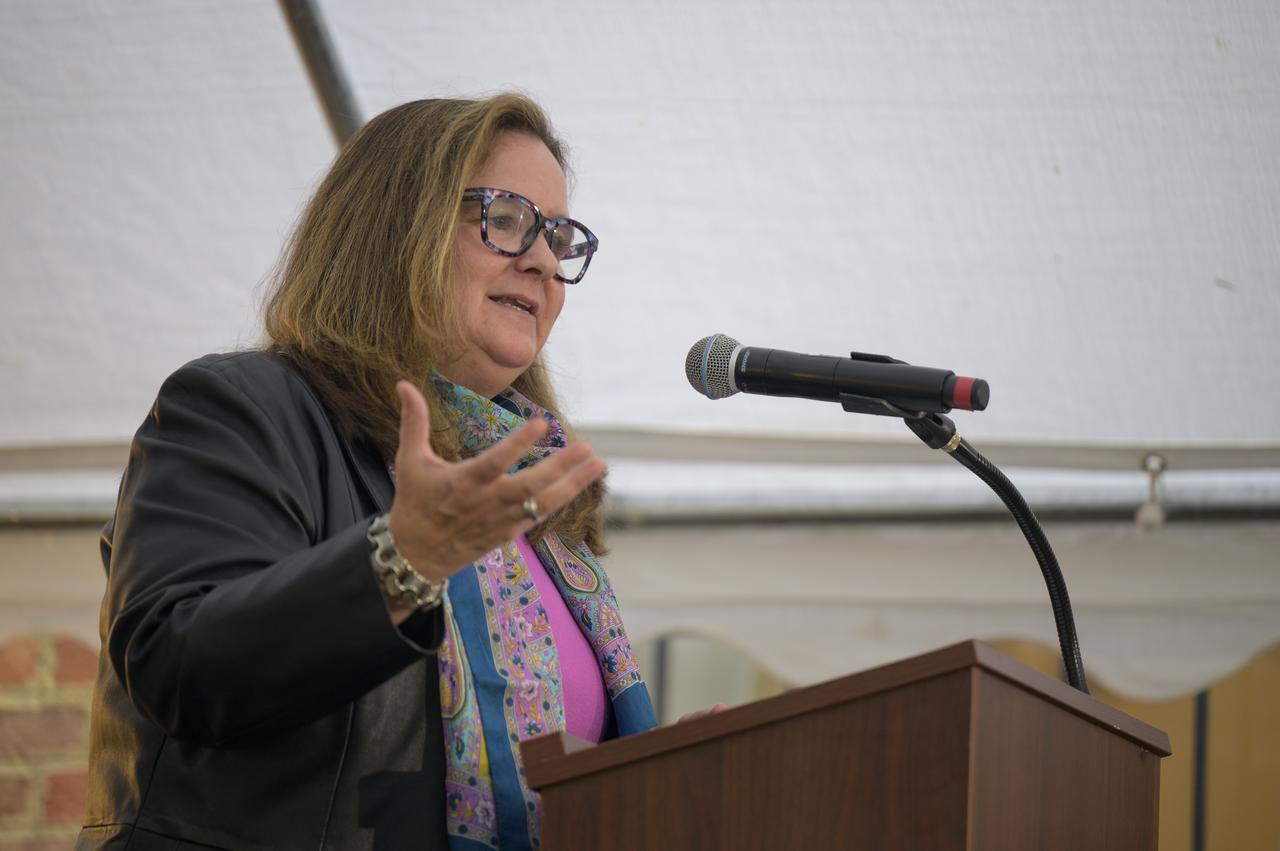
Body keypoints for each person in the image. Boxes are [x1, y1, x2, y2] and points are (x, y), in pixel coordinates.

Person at [78, 94, 663, 850]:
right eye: (507, 217)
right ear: (397, 229)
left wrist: (679, 776)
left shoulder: (539, 504)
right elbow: (177, 663)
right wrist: (399, 563)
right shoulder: (245, 408)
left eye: (558, 236)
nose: (545, 260)